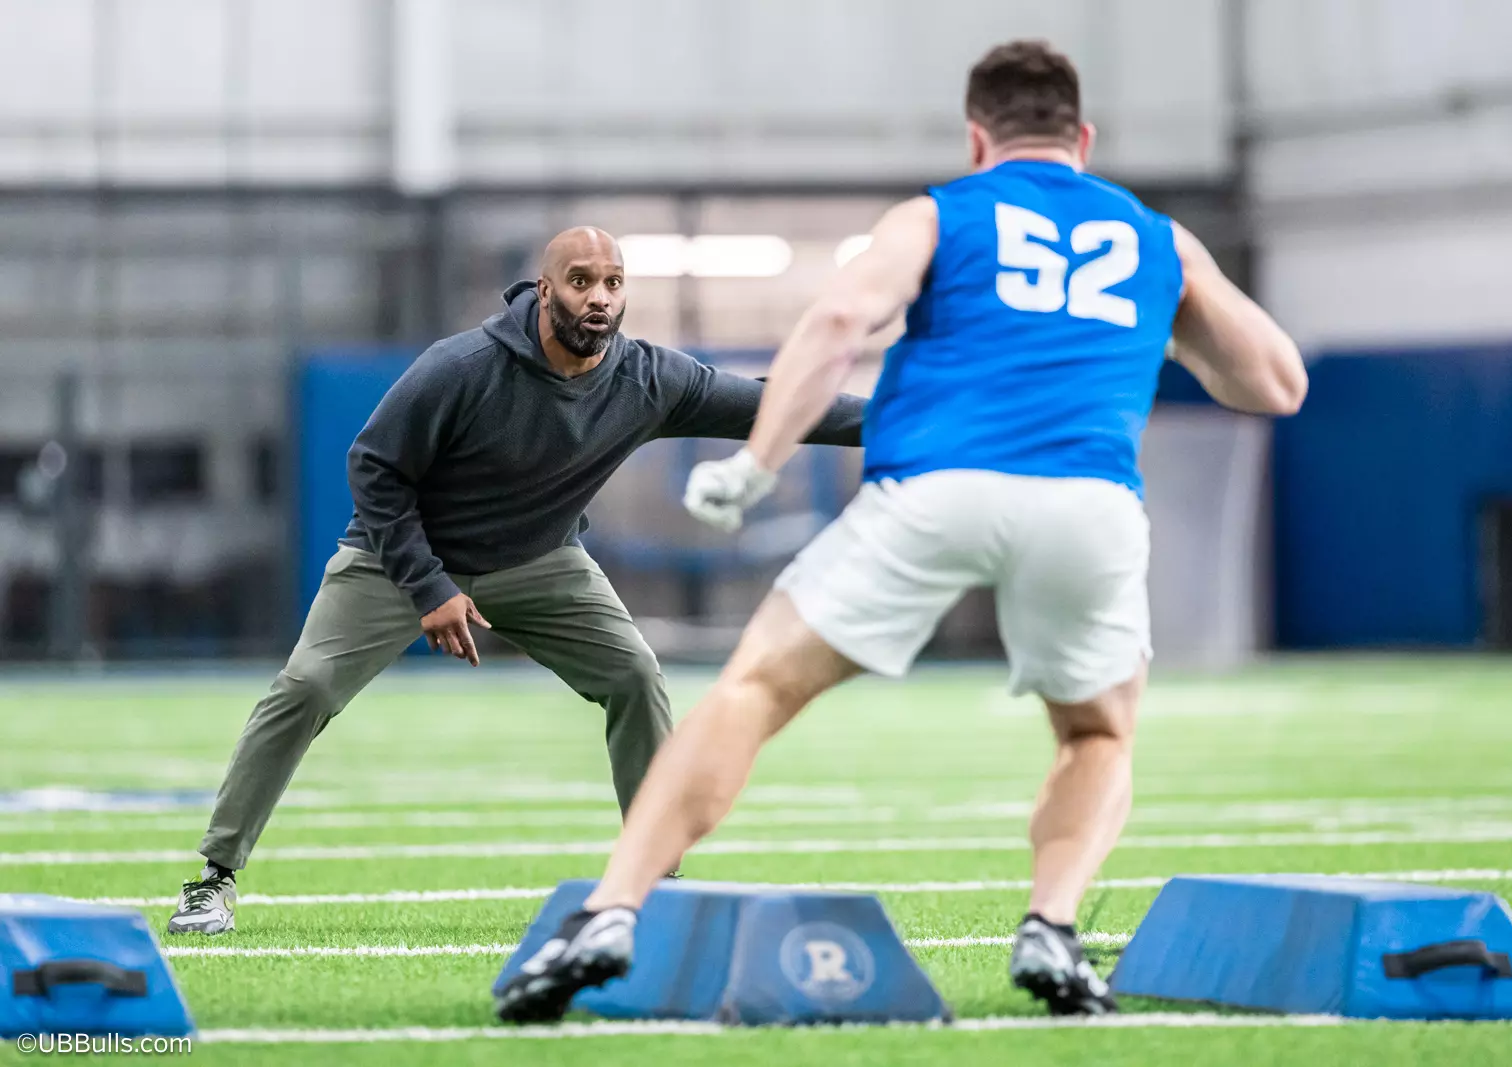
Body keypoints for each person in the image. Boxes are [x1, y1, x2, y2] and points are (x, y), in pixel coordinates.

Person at [495, 40, 1307, 1023]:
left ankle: (614, 907)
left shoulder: (939, 213)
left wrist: (757, 462)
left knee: (753, 687)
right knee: (1096, 729)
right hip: (1088, 505)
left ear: (978, 137)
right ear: (1082, 138)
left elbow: (841, 319)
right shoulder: (1157, 240)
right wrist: (1163, 321)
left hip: (937, 488)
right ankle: (1049, 925)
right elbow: (1273, 382)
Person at [166, 227, 867, 936]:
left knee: (633, 674)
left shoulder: (649, 378)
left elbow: (769, 403)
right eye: (581, 281)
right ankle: (214, 877)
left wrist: (911, 421)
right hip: (399, 561)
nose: (599, 297)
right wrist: (430, 586)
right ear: (545, 290)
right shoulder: (463, 366)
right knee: (306, 686)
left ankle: (657, 881)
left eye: (613, 283)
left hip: (538, 562)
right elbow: (373, 467)